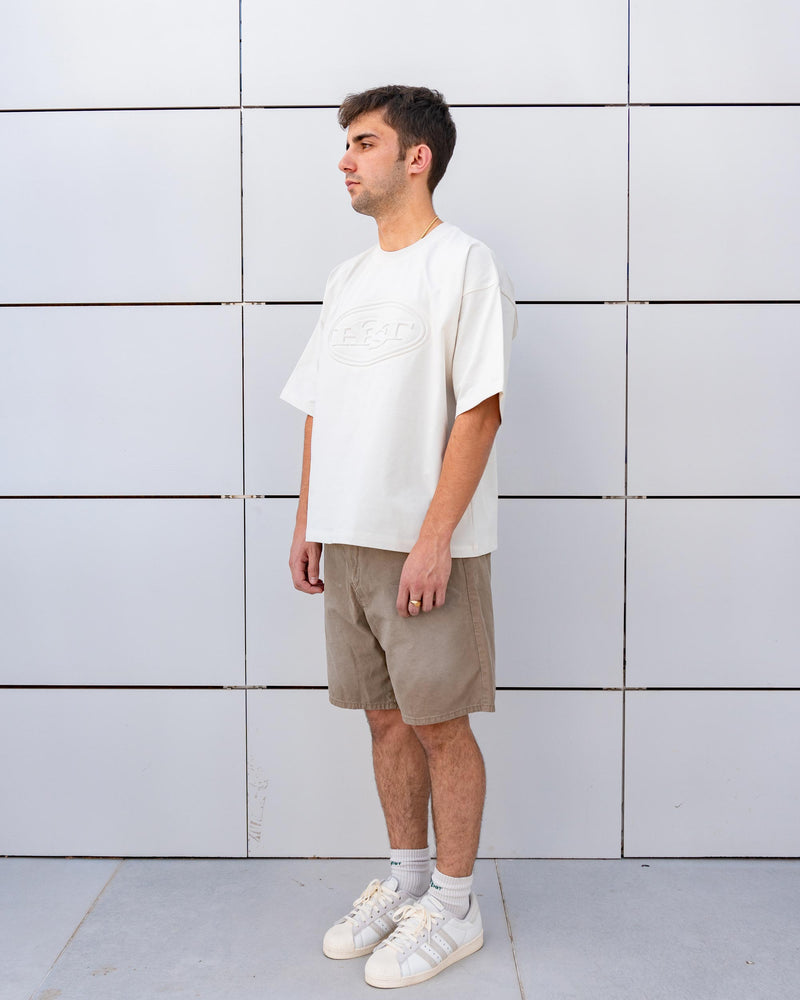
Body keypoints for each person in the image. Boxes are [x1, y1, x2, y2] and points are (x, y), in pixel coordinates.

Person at [281, 84, 516, 989]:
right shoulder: (348, 277)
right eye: (346, 143)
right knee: (384, 721)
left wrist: (435, 538)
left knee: (440, 724)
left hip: (425, 546)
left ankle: (454, 907)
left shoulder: (465, 265)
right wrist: (309, 521)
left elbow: (481, 411)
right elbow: (319, 408)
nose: (345, 159)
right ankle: (408, 882)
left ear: (417, 157)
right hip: (346, 541)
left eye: (364, 142)